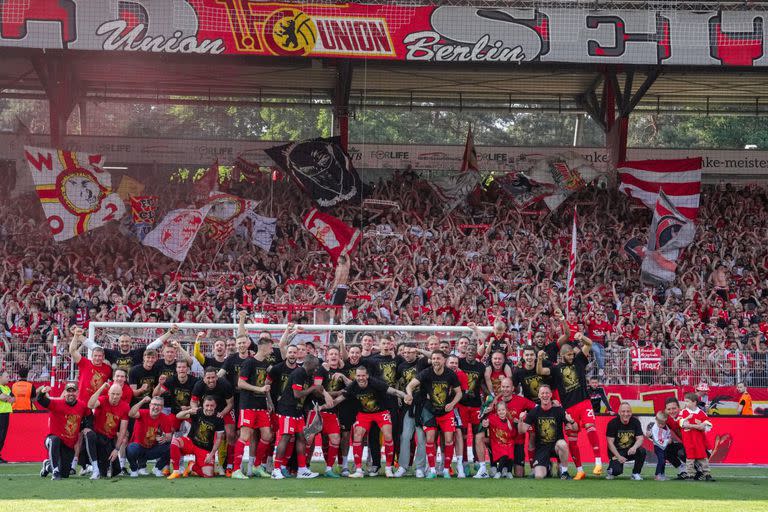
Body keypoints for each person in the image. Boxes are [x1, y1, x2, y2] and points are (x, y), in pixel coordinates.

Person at [536, 330, 602, 479]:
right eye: (569, 355)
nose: (572, 357)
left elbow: (589, 344)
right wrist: (539, 359)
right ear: (562, 356)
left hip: (584, 402)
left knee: (590, 427)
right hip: (569, 408)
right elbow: (540, 370)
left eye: (573, 354)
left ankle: (598, 462)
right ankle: (580, 470)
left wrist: (582, 337)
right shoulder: (556, 368)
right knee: (572, 439)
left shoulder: (579, 359)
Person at [325, 365, 409, 478]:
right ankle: (359, 470)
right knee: (357, 436)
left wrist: (405, 396)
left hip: (381, 412)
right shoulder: (353, 386)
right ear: (355, 376)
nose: (360, 378)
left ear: (367, 376)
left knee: (388, 435)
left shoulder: (375, 383)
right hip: (364, 414)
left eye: (363, 375)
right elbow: (337, 401)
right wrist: (322, 406)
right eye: (358, 376)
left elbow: (394, 391)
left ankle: (389, 468)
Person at [406, 350, 463, 479]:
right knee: (430, 439)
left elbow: (459, 393)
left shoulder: (450, 374)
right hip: (429, 411)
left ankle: (446, 470)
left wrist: (452, 404)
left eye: (438, 358)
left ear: (444, 360)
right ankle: (431, 470)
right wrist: (409, 395)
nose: (436, 361)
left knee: (449, 440)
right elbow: (410, 386)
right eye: (434, 358)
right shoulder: (426, 373)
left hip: (446, 412)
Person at [272, 354, 329, 479]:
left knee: (302, 438)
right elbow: (297, 394)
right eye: (314, 367)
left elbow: (314, 391)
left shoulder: (308, 375)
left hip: (297, 411)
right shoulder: (299, 373)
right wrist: (313, 388)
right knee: (285, 437)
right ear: (308, 364)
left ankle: (302, 469)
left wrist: (323, 393)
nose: (316, 370)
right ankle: (276, 469)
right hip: (287, 409)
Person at [232, 337, 273, 479]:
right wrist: (260, 389)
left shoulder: (266, 363)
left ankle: (256, 466)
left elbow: (264, 385)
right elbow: (240, 384)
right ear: (263, 347)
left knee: (267, 435)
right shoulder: (249, 362)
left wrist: (269, 401)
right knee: (244, 436)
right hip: (248, 404)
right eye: (270, 347)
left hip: (261, 405)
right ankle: (236, 470)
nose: (272, 350)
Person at [37, 382, 92, 480]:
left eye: (73, 391)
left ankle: (47, 465)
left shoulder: (82, 406)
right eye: (68, 391)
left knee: (65, 473)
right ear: (64, 393)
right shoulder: (56, 403)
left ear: (77, 393)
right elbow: (41, 400)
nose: (71, 393)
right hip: (53, 439)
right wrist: (42, 392)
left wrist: (87, 427)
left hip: (68, 445)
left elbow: (89, 415)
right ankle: (55, 472)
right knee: (55, 440)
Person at [518, 384, 573, 480]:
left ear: (551, 395)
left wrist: (571, 421)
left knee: (562, 444)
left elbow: (573, 427)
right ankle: (548, 467)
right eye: (542, 393)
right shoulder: (534, 412)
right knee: (539, 476)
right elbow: (522, 431)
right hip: (542, 448)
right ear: (539, 396)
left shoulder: (559, 410)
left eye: (547, 393)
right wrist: (520, 420)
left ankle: (564, 471)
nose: (545, 395)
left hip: (556, 446)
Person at [191, 367, 235, 475]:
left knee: (230, 434)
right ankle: (202, 461)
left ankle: (228, 465)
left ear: (217, 376)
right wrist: (196, 411)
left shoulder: (225, 384)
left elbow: (230, 403)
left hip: (224, 410)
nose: (211, 380)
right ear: (204, 378)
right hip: (208, 410)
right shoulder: (199, 385)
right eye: (208, 378)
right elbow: (193, 402)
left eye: (213, 377)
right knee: (205, 432)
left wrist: (222, 413)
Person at [168, 396, 225, 479]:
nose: (209, 408)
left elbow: (219, 438)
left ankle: (192, 466)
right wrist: (188, 411)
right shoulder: (197, 412)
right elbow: (178, 416)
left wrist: (212, 454)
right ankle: (176, 471)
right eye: (207, 405)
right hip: (191, 442)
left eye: (212, 406)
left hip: (205, 448)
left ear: (215, 406)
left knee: (208, 475)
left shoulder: (219, 418)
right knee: (174, 442)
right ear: (203, 405)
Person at [393, 342, 428, 478]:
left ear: (415, 352)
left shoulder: (423, 361)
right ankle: (403, 466)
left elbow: (441, 357)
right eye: (405, 352)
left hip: (423, 405)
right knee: (405, 436)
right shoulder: (401, 366)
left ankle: (420, 467)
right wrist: (400, 397)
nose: (406, 355)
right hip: (408, 405)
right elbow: (396, 382)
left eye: (410, 352)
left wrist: (420, 350)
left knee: (420, 438)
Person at [85, 382, 130, 479]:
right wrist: (101, 388)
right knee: (89, 435)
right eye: (113, 393)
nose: (115, 396)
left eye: (117, 394)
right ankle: (93, 466)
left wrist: (116, 449)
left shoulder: (125, 407)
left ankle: (92, 467)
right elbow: (90, 404)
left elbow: (122, 430)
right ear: (108, 393)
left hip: (109, 439)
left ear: (121, 395)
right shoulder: (102, 399)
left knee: (116, 470)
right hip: (96, 436)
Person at [126, 396, 173, 477]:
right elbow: (131, 413)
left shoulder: (165, 418)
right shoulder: (142, 413)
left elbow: (169, 436)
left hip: (152, 449)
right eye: (154, 404)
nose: (156, 407)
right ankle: (134, 469)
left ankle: (157, 468)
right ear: (150, 405)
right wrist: (142, 401)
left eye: (159, 405)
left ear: (162, 407)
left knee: (172, 447)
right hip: (138, 447)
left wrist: (164, 438)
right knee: (130, 448)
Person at [679, 392, 715, 481]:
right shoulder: (683, 412)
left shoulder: (701, 413)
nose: (685, 403)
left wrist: (703, 425)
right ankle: (690, 474)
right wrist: (696, 426)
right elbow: (681, 423)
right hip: (688, 440)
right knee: (690, 458)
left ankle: (707, 474)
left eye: (687, 401)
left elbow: (708, 425)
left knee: (702, 456)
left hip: (699, 440)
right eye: (685, 401)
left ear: (694, 402)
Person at [605, 402, 645, 480]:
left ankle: (635, 473)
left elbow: (640, 438)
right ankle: (611, 470)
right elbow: (610, 443)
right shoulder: (612, 423)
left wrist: (634, 447)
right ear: (619, 413)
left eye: (628, 411)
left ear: (631, 412)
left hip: (630, 450)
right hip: (617, 451)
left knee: (642, 451)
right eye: (623, 411)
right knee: (617, 471)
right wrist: (618, 456)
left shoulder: (635, 422)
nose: (626, 414)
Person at [483, 401, 516, 479]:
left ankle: (509, 472)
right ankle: (499, 471)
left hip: (508, 443)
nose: (501, 412)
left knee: (510, 455)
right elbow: (485, 422)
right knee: (504, 454)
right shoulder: (492, 418)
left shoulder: (510, 420)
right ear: (496, 411)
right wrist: (485, 422)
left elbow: (513, 435)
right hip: (497, 443)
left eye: (503, 410)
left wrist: (512, 427)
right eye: (499, 410)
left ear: (506, 410)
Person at [663, 397, 689, 479]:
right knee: (665, 449)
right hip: (686, 445)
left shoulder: (686, 417)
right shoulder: (667, 419)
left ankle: (699, 470)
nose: (671, 411)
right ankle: (683, 470)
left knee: (682, 452)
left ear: (679, 408)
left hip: (697, 446)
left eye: (674, 408)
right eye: (669, 409)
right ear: (666, 410)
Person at [649, 411, 672, 480]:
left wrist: (669, 438)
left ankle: (662, 474)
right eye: (660, 424)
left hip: (664, 447)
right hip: (658, 447)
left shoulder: (666, 427)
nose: (661, 425)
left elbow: (668, 434)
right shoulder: (655, 428)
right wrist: (667, 441)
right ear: (656, 420)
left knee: (664, 460)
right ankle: (657, 475)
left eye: (663, 424)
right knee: (661, 460)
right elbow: (657, 440)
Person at [0, 370, 15, 463]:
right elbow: (2, 397)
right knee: (0, 436)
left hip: (6, 413)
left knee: (3, 436)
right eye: (7, 377)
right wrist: (7, 398)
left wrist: (6, 398)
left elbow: (13, 399)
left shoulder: (7, 388)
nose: (9, 378)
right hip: (0, 413)